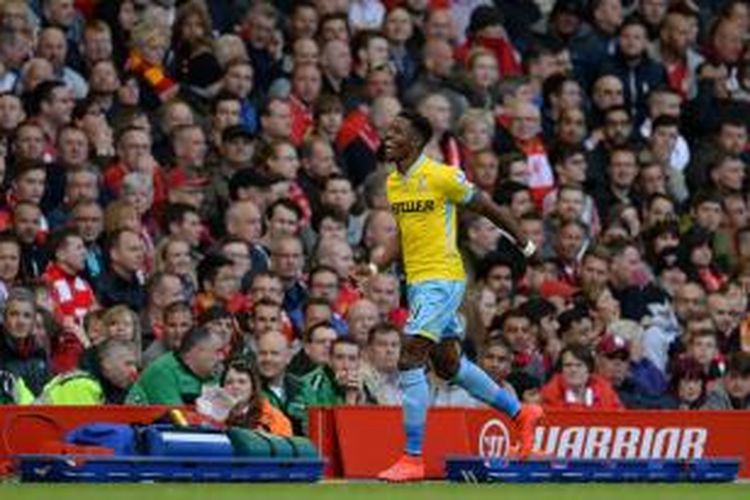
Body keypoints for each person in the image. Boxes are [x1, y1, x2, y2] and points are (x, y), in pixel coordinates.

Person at [375, 110, 542, 482]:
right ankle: (521, 415)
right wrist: (373, 268)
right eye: (386, 132)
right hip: (417, 282)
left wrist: (526, 244)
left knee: (410, 356)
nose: (387, 138)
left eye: (396, 133)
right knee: (448, 365)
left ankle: (412, 457)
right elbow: (404, 235)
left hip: (443, 279)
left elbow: (487, 207)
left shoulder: (442, 176)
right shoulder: (394, 183)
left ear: (416, 141)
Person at [126, 327, 224, 405]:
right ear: (196, 351)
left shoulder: (214, 374)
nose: (222, 357)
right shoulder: (162, 371)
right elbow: (177, 418)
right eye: (218, 352)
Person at [222, 358, 293, 437]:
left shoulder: (275, 420)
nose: (235, 386)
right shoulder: (212, 416)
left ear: (253, 388)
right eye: (229, 382)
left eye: (242, 382)